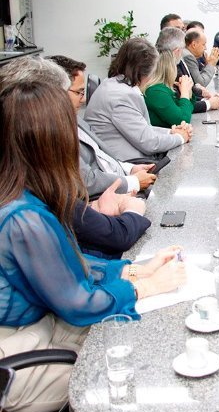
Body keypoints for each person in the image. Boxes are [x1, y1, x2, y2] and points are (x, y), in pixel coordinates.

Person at [0, 80, 187, 412]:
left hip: (40, 323)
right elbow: (79, 303)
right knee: (137, 365)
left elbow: (64, 264)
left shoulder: (20, 192)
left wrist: (133, 270)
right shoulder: (24, 217)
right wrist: (145, 287)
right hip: (19, 355)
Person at [0, 56, 152, 260]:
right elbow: (77, 271)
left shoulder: (23, 173)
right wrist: (132, 211)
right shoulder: (35, 185)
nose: (82, 100)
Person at [45, 55, 157, 197]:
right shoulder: (53, 132)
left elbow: (101, 156)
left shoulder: (74, 118)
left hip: (119, 178)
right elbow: (86, 181)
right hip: (108, 195)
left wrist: (130, 169)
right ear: (57, 92)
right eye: (79, 92)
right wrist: (133, 181)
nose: (83, 99)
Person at [84, 37, 191, 161]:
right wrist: (180, 137)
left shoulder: (112, 84)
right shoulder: (122, 96)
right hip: (130, 163)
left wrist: (170, 132)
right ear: (146, 71)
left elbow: (142, 129)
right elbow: (150, 144)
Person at [144, 50, 196, 128]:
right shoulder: (156, 92)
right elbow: (182, 120)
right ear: (170, 69)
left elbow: (187, 109)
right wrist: (184, 93)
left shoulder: (163, 88)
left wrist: (188, 90)